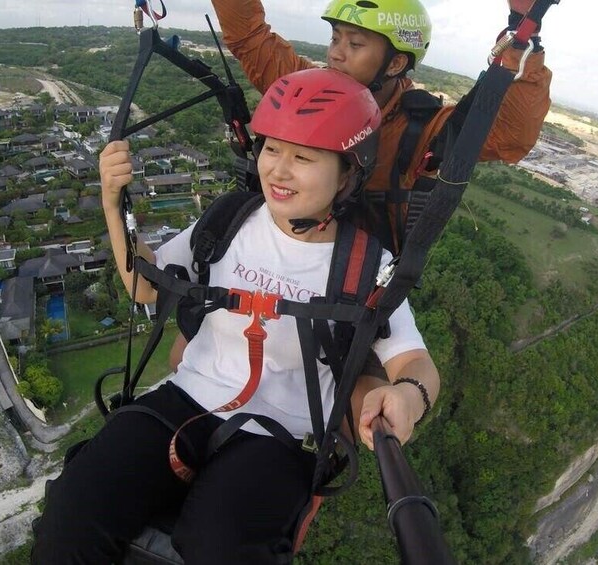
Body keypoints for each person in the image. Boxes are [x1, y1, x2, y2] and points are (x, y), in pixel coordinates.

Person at [32, 68, 440, 564]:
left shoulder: (363, 265)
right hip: (185, 399)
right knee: (72, 513)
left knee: (220, 546)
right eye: (272, 149)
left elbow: (413, 362)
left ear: (347, 173)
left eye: (304, 157)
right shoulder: (230, 220)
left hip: (278, 434)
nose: (279, 171)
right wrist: (112, 203)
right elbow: (144, 283)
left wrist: (406, 396)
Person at [212, 0, 552, 252]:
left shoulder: (419, 128)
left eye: (355, 44)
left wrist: (523, 38)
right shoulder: (307, 90)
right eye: (335, 39)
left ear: (397, 62)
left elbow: (510, 137)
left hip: (351, 276)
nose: (336, 55)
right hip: (268, 247)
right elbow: (250, 38)